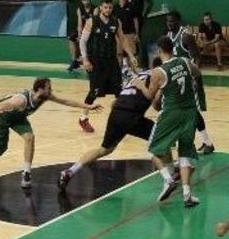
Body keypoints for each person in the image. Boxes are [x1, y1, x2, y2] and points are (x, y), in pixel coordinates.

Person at [58, 58, 163, 190]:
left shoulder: (140, 76)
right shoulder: (157, 78)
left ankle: (70, 171)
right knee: (161, 136)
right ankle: (170, 175)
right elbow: (156, 103)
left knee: (105, 149)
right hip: (131, 115)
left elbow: (115, 102)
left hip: (116, 112)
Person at [0, 77, 101, 189]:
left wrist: (88, 107)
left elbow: (66, 102)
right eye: (49, 88)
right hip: (1, 119)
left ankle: (26, 173)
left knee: (29, 138)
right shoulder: (21, 100)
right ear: (40, 89)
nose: (51, 90)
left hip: (19, 118)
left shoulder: (45, 97)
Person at [144, 36, 201, 207]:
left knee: (153, 149)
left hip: (172, 113)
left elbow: (149, 96)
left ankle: (168, 180)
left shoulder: (158, 72)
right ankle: (187, 194)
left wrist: (140, 85)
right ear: (173, 48)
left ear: (159, 51)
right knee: (184, 154)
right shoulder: (185, 61)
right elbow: (197, 74)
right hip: (190, 112)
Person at [79, 0, 136, 133]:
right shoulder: (92, 21)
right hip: (95, 62)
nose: (108, 10)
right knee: (94, 92)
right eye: (105, 7)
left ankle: (119, 120)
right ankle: (83, 118)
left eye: (110, 7)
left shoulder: (116, 22)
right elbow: (82, 41)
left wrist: (131, 55)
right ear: (100, 7)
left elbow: (122, 39)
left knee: (119, 92)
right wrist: (85, 60)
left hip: (111, 61)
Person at [166, 10, 215, 154]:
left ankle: (205, 142)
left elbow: (198, 58)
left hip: (191, 78)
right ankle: (205, 142)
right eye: (168, 21)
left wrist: (193, 77)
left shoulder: (186, 37)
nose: (169, 24)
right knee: (180, 109)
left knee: (191, 111)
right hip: (178, 80)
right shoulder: (168, 36)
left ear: (178, 22)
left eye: (172, 21)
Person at [113, 0, 139, 74]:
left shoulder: (132, 6)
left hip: (130, 35)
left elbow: (135, 20)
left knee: (131, 55)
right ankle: (118, 76)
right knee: (118, 56)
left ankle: (135, 75)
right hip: (118, 36)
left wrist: (136, 34)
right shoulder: (114, 7)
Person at [71, 0, 95, 72]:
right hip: (83, 30)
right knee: (71, 38)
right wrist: (79, 34)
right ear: (82, 1)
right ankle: (74, 61)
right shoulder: (79, 9)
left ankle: (87, 60)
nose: (86, 2)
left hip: (92, 30)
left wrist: (85, 34)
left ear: (90, 1)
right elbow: (79, 23)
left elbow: (94, 22)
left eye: (87, 0)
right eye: (84, 0)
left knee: (87, 40)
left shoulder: (95, 9)